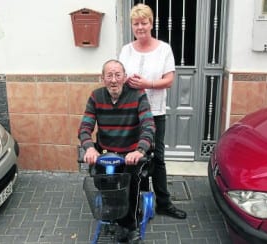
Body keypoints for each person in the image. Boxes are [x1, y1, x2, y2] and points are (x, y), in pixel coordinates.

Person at [119, 3, 187, 219]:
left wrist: (146, 83)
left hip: (155, 112)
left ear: (151, 23)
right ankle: (135, 202)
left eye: (144, 22)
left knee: (157, 158)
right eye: (136, 23)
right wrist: (125, 81)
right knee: (133, 157)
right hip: (130, 113)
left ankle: (164, 203)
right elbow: (118, 77)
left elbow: (169, 80)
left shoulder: (164, 49)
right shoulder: (125, 50)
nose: (140, 27)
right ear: (132, 26)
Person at [78, 59, 155, 243]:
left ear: (124, 77)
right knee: (105, 184)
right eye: (109, 75)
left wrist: (140, 150)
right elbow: (85, 127)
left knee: (131, 185)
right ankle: (114, 215)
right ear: (102, 78)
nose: (113, 80)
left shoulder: (138, 95)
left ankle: (131, 224)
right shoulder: (96, 96)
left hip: (130, 155)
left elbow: (149, 125)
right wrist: (89, 148)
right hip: (106, 154)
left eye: (117, 75)